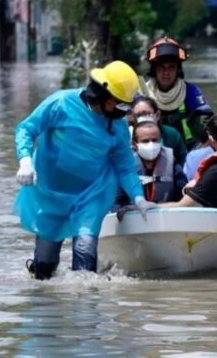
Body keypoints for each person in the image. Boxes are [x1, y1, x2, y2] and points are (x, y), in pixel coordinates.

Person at [14, 61, 157, 280]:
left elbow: (125, 166)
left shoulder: (116, 125)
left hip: (91, 193)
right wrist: (25, 160)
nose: (122, 110)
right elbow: (26, 129)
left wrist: (138, 197)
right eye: (118, 103)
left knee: (85, 259)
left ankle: (86, 308)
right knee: (44, 268)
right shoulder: (60, 103)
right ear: (102, 94)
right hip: (51, 192)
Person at [140, 36, 212, 149]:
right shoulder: (143, 93)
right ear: (154, 70)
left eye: (171, 67)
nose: (166, 72)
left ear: (178, 70)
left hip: (186, 153)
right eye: (161, 67)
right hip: (152, 152)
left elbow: (208, 124)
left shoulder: (191, 92)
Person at [128, 120, 188, 206]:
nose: (151, 144)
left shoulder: (171, 163)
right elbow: (117, 201)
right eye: (145, 141)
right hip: (134, 215)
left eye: (155, 140)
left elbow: (182, 196)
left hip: (166, 214)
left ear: (160, 140)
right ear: (134, 144)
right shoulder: (125, 166)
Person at [131, 96, 188, 166]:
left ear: (157, 115)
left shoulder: (171, 134)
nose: (143, 118)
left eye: (147, 114)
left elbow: (184, 162)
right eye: (138, 115)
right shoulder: (127, 137)